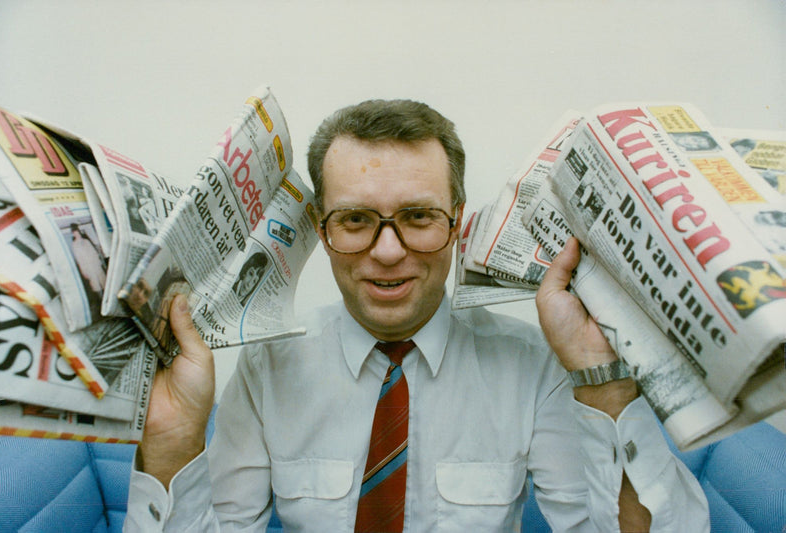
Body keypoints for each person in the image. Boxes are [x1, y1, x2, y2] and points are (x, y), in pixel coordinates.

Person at [125, 99, 708, 531]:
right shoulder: (268, 367)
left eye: (418, 218)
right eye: (355, 220)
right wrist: (174, 442)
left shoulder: (535, 367)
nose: (387, 251)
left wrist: (601, 380)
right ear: (322, 232)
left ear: (456, 223)